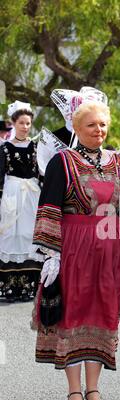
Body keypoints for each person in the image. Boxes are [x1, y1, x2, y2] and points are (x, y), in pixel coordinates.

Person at [31, 96, 120, 400]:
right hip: (75, 247)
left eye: (103, 124)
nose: (98, 130)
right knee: (73, 313)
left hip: (112, 249)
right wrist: (51, 254)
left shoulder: (118, 163)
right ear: (77, 128)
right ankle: (74, 391)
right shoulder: (62, 162)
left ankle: (94, 388)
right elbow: (48, 207)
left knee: (105, 313)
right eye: (91, 125)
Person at [0, 102, 43, 302]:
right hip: (12, 192)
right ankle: (9, 287)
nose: (25, 126)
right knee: (10, 234)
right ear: (14, 124)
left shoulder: (36, 147)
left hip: (31, 193)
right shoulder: (5, 148)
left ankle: (28, 286)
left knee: (28, 234)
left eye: (28, 123)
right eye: (22, 123)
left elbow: (41, 173)